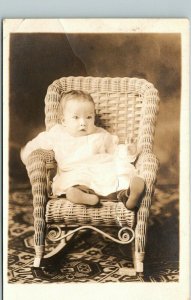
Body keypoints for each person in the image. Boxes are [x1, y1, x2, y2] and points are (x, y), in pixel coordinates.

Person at [21, 90, 145, 210]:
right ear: (64, 120)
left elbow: (115, 151)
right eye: (76, 117)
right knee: (74, 181)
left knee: (119, 177)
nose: (83, 123)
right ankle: (78, 194)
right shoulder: (57, 133)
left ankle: (128, 196)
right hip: (74, 171)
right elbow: (36, 145)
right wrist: (26, 154)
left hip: (102, 170)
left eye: (89, 117)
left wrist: (129, 150)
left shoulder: (100, 134)